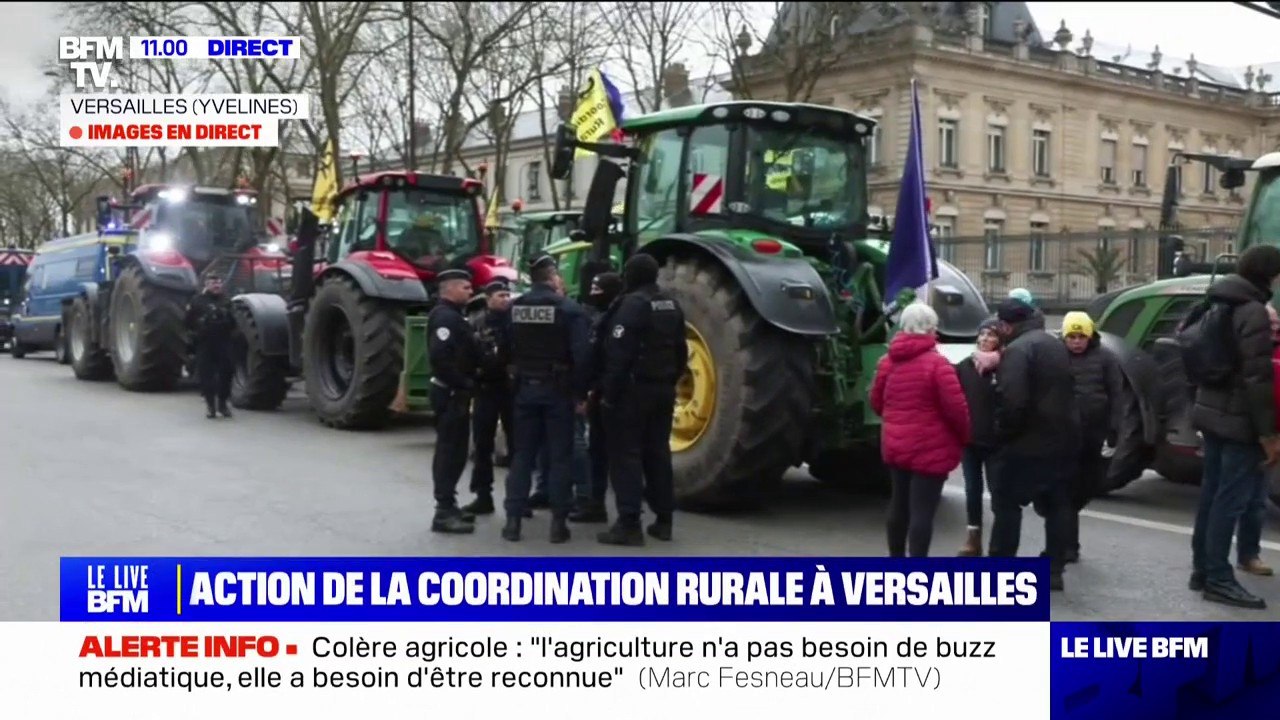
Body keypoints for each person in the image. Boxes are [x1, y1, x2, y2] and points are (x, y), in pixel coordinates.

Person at [1188, 245, 1280, 609]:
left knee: (1212, 495)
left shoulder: (1216, 301)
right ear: (1268, 274)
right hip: (1239, 419)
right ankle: (1218, 578)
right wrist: (1268, 434)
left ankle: (1202, 569)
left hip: (1211, 412)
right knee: (1230, 499)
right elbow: (1257, 379)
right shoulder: (1253, 310)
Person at [989, 298, 1079, 591]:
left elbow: (1013, 400)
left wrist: (1002, 432)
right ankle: (1054, 569)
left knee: (1006, 505)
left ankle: (1001, 568)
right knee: (1058, 505)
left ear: (1005, 325)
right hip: (1061, 439)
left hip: (1026, 443)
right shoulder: (1053, 343)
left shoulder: (1018, 350)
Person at [597, 254, 687, 546]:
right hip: (663, 390)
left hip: (633, 392)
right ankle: (664, 521)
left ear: (631, 275)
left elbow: (618, 355)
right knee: (658, 454)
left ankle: (629, 523)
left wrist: (609, 394)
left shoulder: (631, 305)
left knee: (627, 457)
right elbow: (681, 351)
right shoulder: (670, 304)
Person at [501, 255, 591, 543]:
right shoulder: (568, 309)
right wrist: (579, 393)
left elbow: (503, 350)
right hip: (558, 392)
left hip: (525, 389)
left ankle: (513, 522)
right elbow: (582, 356)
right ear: (552, 277)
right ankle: (558, 524)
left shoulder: (515, 308)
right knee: (560, 457)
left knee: (522, 457)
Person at [870, 302, 970, 558]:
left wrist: (896, 421)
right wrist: (965, 436)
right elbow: (956, 408)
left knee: (898, 505)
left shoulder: (886, 362)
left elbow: (876, 402)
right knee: (922, 512)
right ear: (931, 329)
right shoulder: (938, 365)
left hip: (896, 444)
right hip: (931, 448)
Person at [1058, 311, 1124, 563]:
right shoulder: (1058, 358)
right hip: (1065, 433)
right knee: (1066, 490)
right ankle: (1067, 544)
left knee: (1087, 485)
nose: (1076, 341)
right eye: (1071, 337)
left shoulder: (1106, 358)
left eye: (1081, 336)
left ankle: (1068, 531)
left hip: (1094, 433)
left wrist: (1114, 428)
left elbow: (1117, 394)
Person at [426, 268, 481, 535]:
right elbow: (441, 359)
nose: (471, 292)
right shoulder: (445, 318)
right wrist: (466, 383)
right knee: (449, 453)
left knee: (457, 452)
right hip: (450, 393)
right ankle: (443, 511)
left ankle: (450, 504)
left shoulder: (455, 316)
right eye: (465, 288)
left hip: (456, 393)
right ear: (449, 289)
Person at [573, 271, 624, 524]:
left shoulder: (610, 319)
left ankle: (604, 508)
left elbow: (596, 360)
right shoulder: (613, 314)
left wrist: (589, 392)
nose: (593, 295)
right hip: (615, 393)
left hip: (608, 395)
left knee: (604, 452)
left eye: (597, 290)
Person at [461, 277, 515, 517]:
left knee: (518, 446)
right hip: (486, 389)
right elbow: (466, 355)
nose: (505, 300)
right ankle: (483, 496)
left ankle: (517, 498)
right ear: (488, 299)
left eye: (507, 295)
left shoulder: (517, 320)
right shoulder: (476, 322)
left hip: (512, 390)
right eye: (500, 296)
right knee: (482, 445)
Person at [1234, 303, 1280, 578]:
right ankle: (1241, 557)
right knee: (1244, 499)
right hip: (1251, 433)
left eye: (1276, 322)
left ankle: (1249, 553)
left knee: (1258, 500)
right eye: (1269, 322)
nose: (1273, 326)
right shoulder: (1250, 350)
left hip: (1270, 433)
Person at [955, 317, 1003, 556]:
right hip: (970, 440)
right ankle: (973, 538)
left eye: (991, 335)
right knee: (972, 490)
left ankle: (999, 541)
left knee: (998, 492)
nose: (985, 339)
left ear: (1000, 340)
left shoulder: (1006, 367)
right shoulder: (964, 366)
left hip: (996, 442)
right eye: (982, 335)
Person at [185, 274, 236, 419]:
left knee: (226, 374)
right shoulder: (197, 301)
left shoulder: (226, 301)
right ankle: (211, 406)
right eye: (214, 283)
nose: (217, 285)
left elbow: (235, 323)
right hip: (205, 343)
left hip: (224, 342)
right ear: (206, 284)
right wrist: (200, 325)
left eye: (219, 282)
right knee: (207, 376)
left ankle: (223, 404)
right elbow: (187, 322)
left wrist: (226, 319)